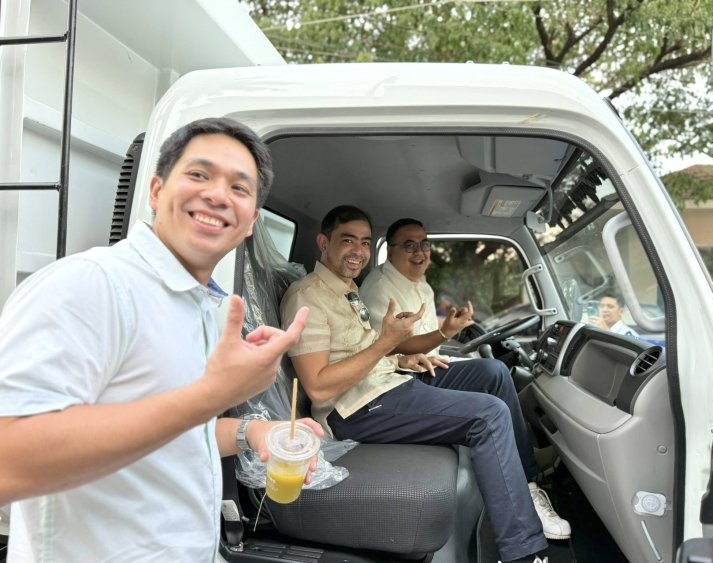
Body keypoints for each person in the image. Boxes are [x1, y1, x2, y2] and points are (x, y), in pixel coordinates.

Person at [0, 117, 322, 562]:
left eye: (239, 187)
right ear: (155, 192)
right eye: (199, 174)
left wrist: (254, 431)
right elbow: (9, 460)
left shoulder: (199, 304)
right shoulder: (91, 284)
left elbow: (176, 430)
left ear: (251, 222)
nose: (218, 194)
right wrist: (214, 393)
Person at [280, 206, 563, 563]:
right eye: (348, 240)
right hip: (354, 409)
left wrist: (398, 359)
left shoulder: (348, 290)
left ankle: (527, 482)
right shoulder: (307, 296)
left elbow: (357, 351)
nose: (359, 251)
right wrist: (386, 345)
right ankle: (524, 552)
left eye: (365, 242)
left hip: (387, 381)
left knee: (491, 373)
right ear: (323, 242)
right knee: (488, 415)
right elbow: (319, 387)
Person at [359, 217, 569, 540]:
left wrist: (445, 334)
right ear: (391, 249)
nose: (420, 252)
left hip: (421, 366)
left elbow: (420, 341)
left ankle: (527, 471)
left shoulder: (420, 284)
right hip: (399, 378)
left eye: (424, 244)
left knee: (495, 371)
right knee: (489, 410)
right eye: (410, 245)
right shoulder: (379, 289)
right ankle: (523, 502)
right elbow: (389, 346)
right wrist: (445, 333)